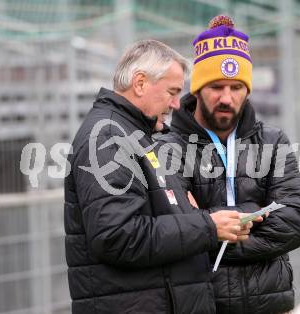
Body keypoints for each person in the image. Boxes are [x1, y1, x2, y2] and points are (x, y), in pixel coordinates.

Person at [64, 39, 257, 314]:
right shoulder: (107, 137)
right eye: (172, 92)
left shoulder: (135, 135)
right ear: (140, 83)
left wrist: (198, 216)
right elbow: (118, 236)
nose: (177, 104)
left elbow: (157, 217)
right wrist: (207, 227)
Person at [158, 16, 300, 314]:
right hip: (202, 303)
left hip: (270, 303)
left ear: (248, 90)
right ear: (198, 88)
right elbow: (172, 231)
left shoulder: (273, 141)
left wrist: (210, 227)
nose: (226, 98)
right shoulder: (168, 147)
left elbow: (293, 224)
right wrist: (258, 214)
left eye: (236, 87)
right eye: (216, 86)